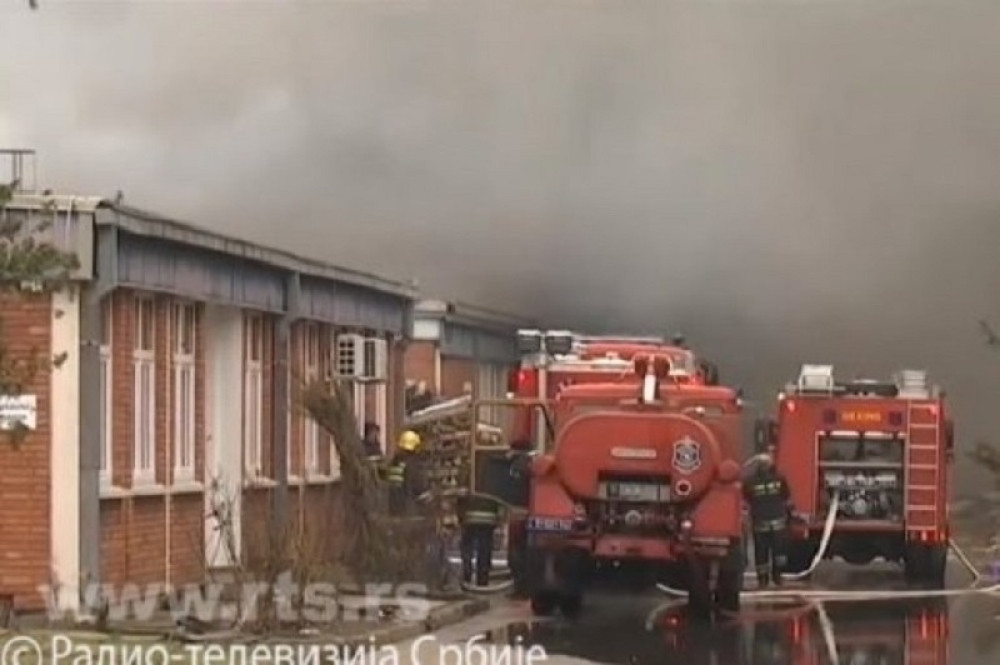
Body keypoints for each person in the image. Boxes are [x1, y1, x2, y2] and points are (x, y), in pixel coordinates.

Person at [743, 452, 793, 588]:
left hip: (764, 522)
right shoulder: (779, 478)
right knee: (771, 553)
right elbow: (786, 496)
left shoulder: (750, 481)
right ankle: (772, 578)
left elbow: (746, 499)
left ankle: (767, 579)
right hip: (772, 522)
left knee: (768, 553)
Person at [456, 489, 501, 587]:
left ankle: (467, 573)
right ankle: (482, 578)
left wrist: (460, 518)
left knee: (467, 546)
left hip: (469, 518)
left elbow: (461, 496)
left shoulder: (469, 477)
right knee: (484, 549)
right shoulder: (493, 480)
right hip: (489, 519)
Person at [385, 430, 426, 516]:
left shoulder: (394, 463)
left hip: (392, 507)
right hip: (408, 508)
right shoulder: (411, 464)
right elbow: (418, 486)